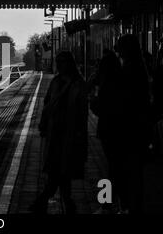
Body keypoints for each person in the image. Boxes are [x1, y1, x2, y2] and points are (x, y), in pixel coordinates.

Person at [31, 51, 88, 214]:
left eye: (62, 62)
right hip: (55, 132)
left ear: (69, 64)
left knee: (61, 171)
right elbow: (47, 104)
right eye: (58, 62)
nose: (59, 66)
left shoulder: (77, 84)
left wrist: (80, 135)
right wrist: (43, 124)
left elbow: (82, 112)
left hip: (70, 134)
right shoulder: (57, 82)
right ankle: (66, 204)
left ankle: (45, 202)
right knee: (60, 171)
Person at [114, 34, 151, 214]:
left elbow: (123, 100)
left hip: (127, 130)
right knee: (133, 173)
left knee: (116, 171)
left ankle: (112, 205)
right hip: (137, 130)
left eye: (119, 46)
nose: (116, 50)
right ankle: (131, 206)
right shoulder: (139, 69)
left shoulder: (129, 70)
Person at [92, 49, 122, 213]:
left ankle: (107, 202)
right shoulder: (122, 80)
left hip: (108, 129)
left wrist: (93, 102)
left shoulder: (107, 85)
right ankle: (114, 202)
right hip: (120, 129)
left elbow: (99, 107)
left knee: (110, 167)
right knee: (115, 166)